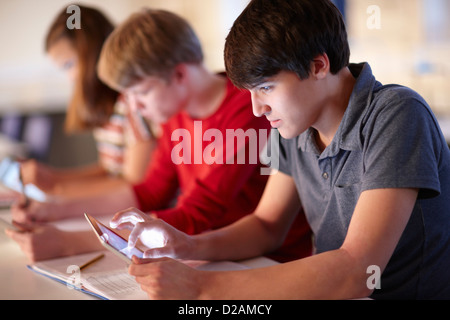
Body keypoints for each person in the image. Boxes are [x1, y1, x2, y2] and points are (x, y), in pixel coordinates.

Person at [110, 0, 450, 300]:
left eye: (266, 88)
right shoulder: (296, 127)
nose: (258, 109)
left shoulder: (396, 113)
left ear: (318, 66)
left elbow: (357, 271)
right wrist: (187, 245)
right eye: (251, 93)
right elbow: (266, 226)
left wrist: (200, 288)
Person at [7, 8, 312, 263]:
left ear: (179, 75)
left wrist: (71, 243)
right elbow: (150, 192)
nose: (135, 107)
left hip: (267, 260)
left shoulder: (246, 109)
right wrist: (53, 210)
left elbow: (198, 211)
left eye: (141, 93)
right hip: (211, 253)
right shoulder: (174, 113)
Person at [19, 5, 157, 199]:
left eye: (69, 65)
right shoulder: (107, 107)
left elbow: (133, 181)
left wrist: (58, 193)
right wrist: (53, 178)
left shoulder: (132, 102)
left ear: (91, 56)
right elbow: (109, 169)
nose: (70, 78)